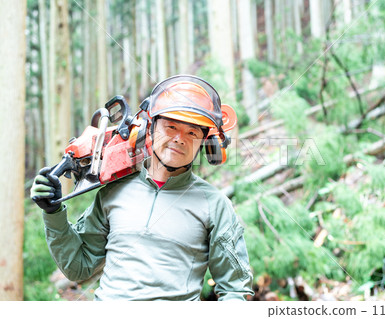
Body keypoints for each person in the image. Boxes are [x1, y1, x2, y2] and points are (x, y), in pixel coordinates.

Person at [30, 75, 254, 301]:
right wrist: (53, 213)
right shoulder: (113, 192)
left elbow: (235, 290)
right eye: (171, 126)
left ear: (206, 143)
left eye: (192, 132)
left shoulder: (215, 205)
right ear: (150, 128)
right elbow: (78, 268)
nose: (179, 139)